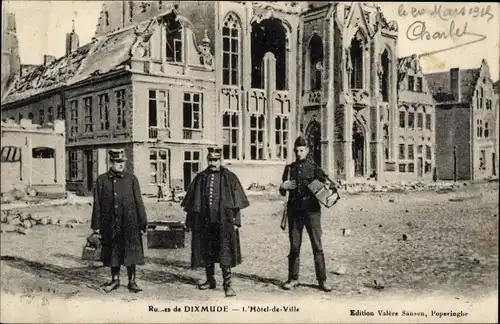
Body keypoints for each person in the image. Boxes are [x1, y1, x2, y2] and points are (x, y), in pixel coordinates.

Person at [181, 147, 249, 297]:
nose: (213, 163)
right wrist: (189, 221)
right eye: (210, 160)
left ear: (220, 160)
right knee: (207, 252)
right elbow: (192, 203)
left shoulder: (229, 177)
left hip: (223, 222)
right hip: (205, 222)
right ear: (207, 160)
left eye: (216, 160)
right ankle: (210, 280)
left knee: (225, 253)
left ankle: (228, 285)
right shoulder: (200, 177)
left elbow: (236, 203)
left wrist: (236, 222)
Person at [279, 135, 338, 292]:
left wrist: (327, 189)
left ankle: (322, 280)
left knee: (317, 246)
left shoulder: (314, 168)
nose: (299, 153)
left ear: (307, 150)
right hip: (294, 211)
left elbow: (330, 186)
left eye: (301, 150)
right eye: (296, 150)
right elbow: (281, 191)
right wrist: (283, 186)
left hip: (312, 211)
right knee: (294, 246)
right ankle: (293, 279)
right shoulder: (289, 169)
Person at [91, 148, 148, 293]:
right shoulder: (101, 180)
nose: (121, 165)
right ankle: (115, 280)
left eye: (123, 162)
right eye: (117, 162)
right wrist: (96, 226)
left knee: (130, 252)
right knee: (113, 252)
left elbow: (139, 202)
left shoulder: (132, 179)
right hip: (110, 223)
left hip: (130, 223)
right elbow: (97, 205)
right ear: (111, 162)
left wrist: (143, 222)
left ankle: (132, 281)